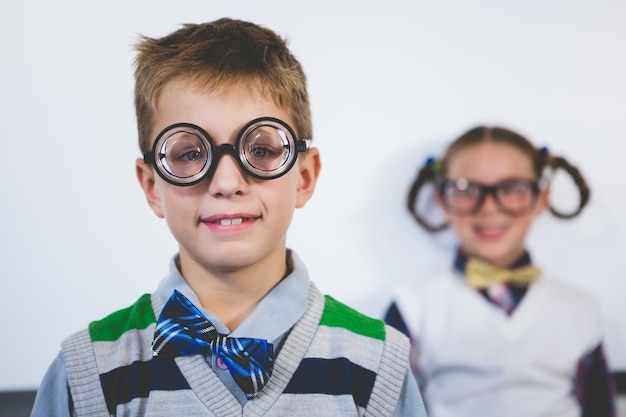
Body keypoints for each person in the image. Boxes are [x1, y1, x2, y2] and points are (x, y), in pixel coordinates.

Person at [30, 18, 427, 416]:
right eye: (189, 154)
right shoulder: (88, 373)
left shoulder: (377, 365)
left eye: (262, 150)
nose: (226, 182)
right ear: (152, 187)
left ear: (304, 176)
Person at [384, 125, 616, 417]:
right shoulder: (413, 306)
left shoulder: (581, 310)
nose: (490, 208)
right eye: (467, 189)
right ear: (443, 200)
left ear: (541, 198)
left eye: (513, 188)